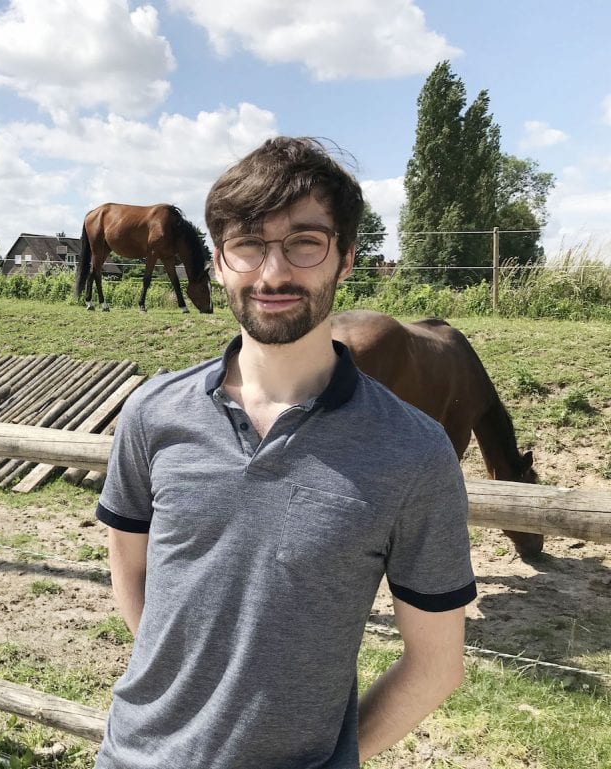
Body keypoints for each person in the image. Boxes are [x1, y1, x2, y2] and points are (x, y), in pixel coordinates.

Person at [94, 136, 476, 769]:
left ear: (346, 258)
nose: (273, 273)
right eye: (248, 244)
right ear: (218, 262)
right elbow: (128, 568)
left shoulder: (413, 452)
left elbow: (437, 664)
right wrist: (176, 690)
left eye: (305, 242)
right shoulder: (152, 413)